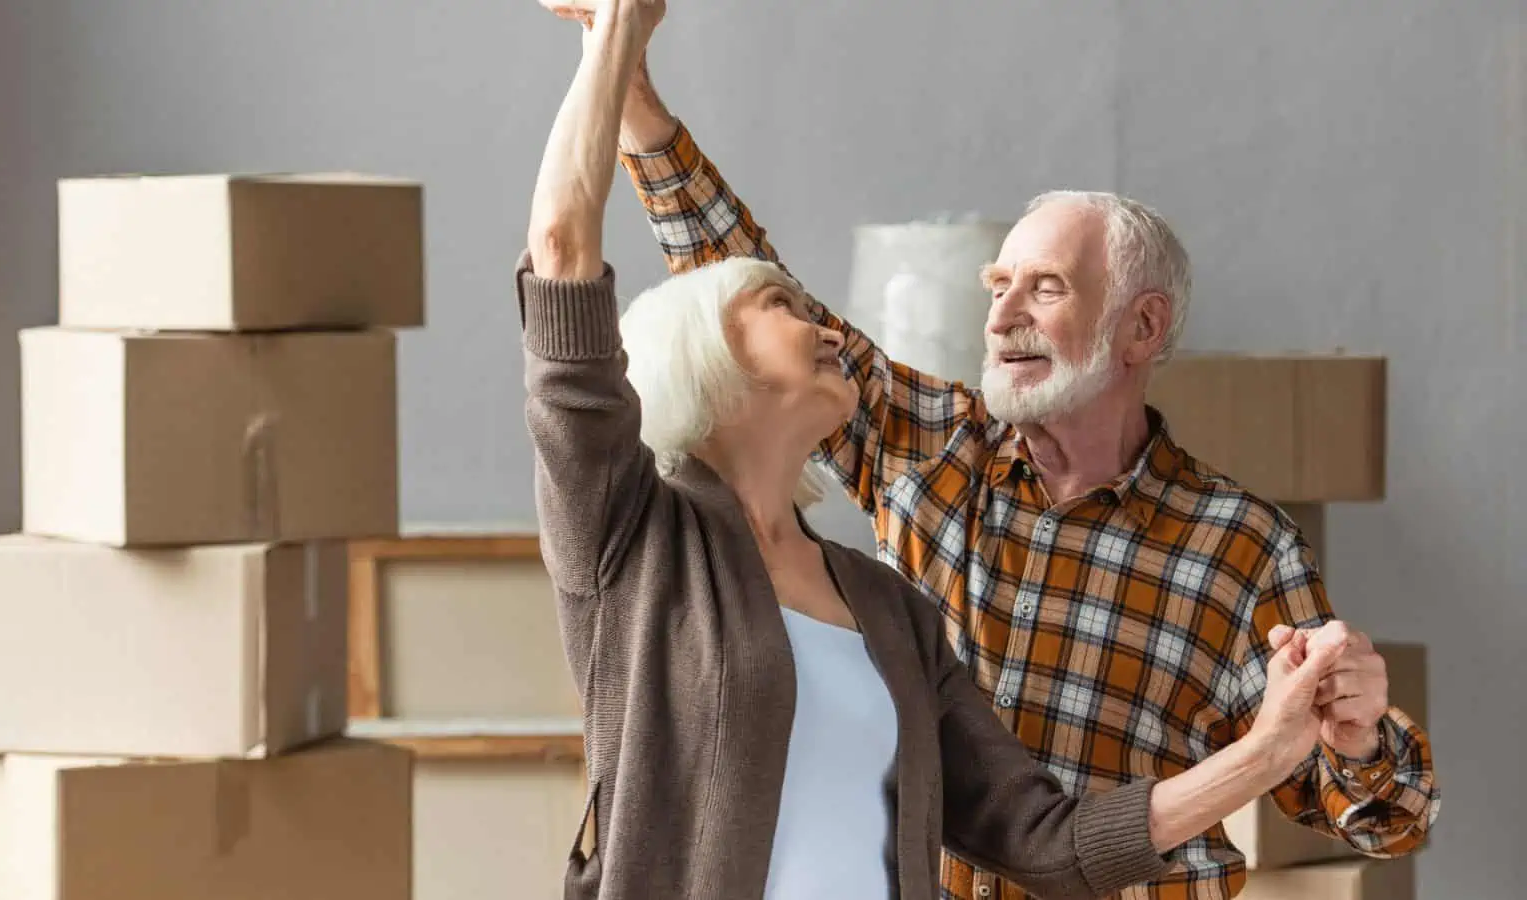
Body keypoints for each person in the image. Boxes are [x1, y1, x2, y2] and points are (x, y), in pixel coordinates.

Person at [584, 9, 1442, 900]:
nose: (1001, 316)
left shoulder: (1241, 549)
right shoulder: (931, 448)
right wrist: (637, 103)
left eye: (1046, 287)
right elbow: (751, 300)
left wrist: (1363, 737)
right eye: (997, 285)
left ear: (1141, 327)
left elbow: (1392, 816)